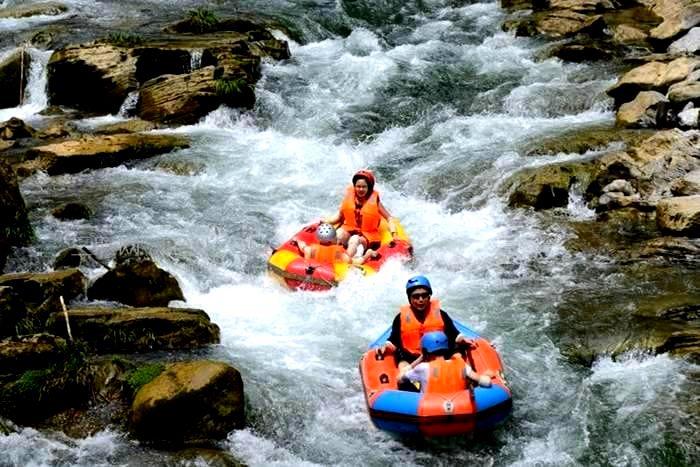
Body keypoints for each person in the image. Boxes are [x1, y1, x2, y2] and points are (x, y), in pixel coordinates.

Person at [376, 275, 475, 367]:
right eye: (416, 296)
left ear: (429, 296)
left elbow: (454, 334)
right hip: (413, 358)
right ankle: (406, 381)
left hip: (439, 356)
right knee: (399, 354)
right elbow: (394, 340)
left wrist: (462, 339)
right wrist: (386, 346)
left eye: (424, 295)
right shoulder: (400, 318)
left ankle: (463, 373)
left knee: (458, 347)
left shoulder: (441, 314)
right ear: (409, 298)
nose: (421, 299)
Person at [323, 169, 398, 257]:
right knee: (339, 233)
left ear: (368, 187)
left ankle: (346, 260)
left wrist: (394, 235)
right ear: (354, 187)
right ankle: (330, 256)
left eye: (364, 187)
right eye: (358, 186)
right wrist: (325, 222)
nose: (361, 189)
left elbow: (389, 218)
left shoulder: (375, 201)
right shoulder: (349, 198)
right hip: (350, 230)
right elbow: (339, 217)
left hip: (366, 236)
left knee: (354, 239)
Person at [399, 331, 492, 393]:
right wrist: (486, 375)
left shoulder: (422, 368)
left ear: (425, 352)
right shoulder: (461, 364)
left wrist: (420, 359)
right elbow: (486, 382)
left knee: (407, 383)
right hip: (460, 407)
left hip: (430, 410)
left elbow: (400, 379)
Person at [296, 222, 378, 266]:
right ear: (331, 241)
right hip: (332, 275)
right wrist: (368, 254)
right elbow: (358, 262)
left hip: (312, 273)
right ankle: (368, 252)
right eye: (336, 238)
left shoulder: (309, 250)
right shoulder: (339, 254)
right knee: (358, 253)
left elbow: (302, 246)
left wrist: (298, 241)